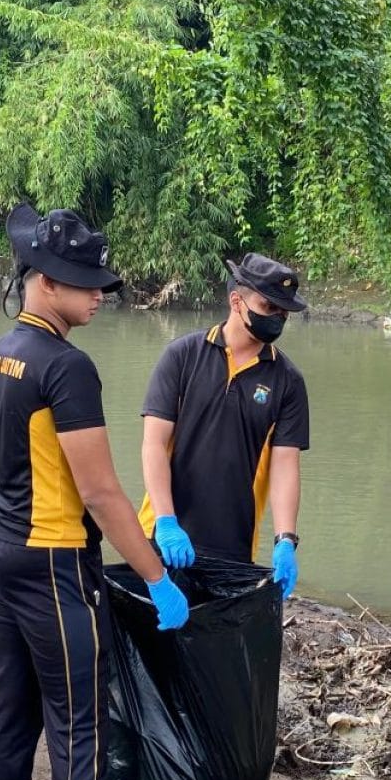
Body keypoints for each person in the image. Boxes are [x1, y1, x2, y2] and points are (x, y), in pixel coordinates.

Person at [0, 202, 188, 780]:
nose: (99, 294)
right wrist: (159, 578)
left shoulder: (7, 349)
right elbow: (100, 493)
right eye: (83, 283)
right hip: (54, 560)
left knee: (15, 702)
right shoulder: (67, 366)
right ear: (41, 281)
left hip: (1, 545)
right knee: (81, 730)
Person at [140, 253, 310, 596]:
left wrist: (286, 539)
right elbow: (154, 444)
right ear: (237, 301)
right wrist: (166, 521)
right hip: (163, 534)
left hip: (234, 544)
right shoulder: (183, 356)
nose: (276, 317)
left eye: (283, 312)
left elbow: (285, 465)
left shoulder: (287, 381)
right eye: (268, 306)